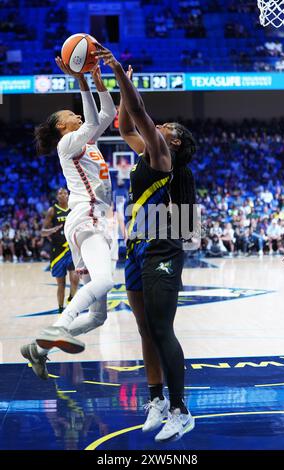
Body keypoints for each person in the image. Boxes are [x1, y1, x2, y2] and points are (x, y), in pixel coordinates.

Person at [93, 46, 196, 442]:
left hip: (162, 248)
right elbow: (124, 125)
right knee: (142, 328)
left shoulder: (161, 156)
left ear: (173, 143)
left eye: (166, 128)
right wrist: (122, 88)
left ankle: (180, 409)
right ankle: (155, 398)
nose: (160, 127)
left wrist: (120, 72)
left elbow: (139, 115)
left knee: (161, 327)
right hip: (137, 246)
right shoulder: (144, 153)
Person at [21, 55, 117, 380]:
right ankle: (56, 329)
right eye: (70, 114)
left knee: (98, 316)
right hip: (87, 216)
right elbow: (91, 121)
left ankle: (39, 346)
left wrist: (97, 79)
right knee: (105, 282)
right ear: (62, 126)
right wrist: (82, 79)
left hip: (94, 219)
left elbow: (108, 114)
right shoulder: (67, 143)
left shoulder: (85, 141)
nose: (76, 113)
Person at [41, 187, 79, 314]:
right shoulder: (52, 211)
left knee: (75, 277)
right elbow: (42, 232)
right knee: (61, 283)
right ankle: (60, 308)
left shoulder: (74, 209)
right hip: (57, 251)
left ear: (68, 195)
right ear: (57, 196)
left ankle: (72, 299)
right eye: (60, 193)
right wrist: (52, 230)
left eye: (65, 193)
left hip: (71, 248)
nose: (62, 195)